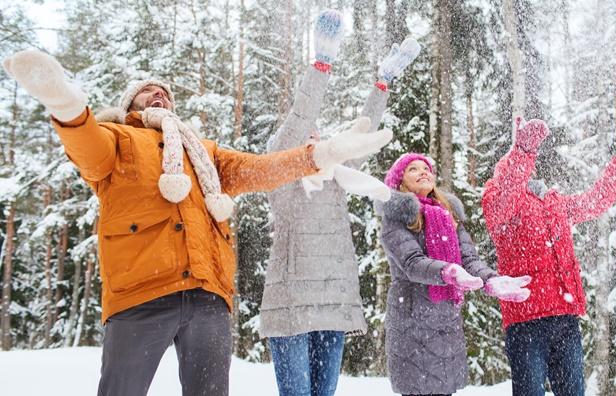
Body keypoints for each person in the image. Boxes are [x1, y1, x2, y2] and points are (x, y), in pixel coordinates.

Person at [1, 48, 392, 396]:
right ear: (129, 105)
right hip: (141, 294)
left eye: (165, 92)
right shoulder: (117, 138)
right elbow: (86, 149)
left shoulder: (203, 153)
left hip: (207, 294)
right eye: (148, 91)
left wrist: (321, 153)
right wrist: (68, 107)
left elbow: (260, 169)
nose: (160, 94)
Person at [258, 9, 421, 396]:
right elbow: (300, 116)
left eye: (319, 134)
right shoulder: (282, 184)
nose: (314, 136)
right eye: (305, 136)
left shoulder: (338, 180)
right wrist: (322, 62)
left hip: (334, 306)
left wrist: (382, 84)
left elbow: (363, 131)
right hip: (292, 309)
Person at [481, 117, 616, 396]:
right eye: (514, 164)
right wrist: (522, 151)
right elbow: (507, 194)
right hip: (526, 321)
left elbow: (595, 201)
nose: (520, 170)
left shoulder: (554, 204)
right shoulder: (498, 201)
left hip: (565, 318)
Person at [377, 153, 533, 396]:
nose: (423, 172)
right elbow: (412, 263)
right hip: (411, 323)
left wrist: (490, 279)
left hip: (445, 321)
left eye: (426, 168)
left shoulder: (447, 215)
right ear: (400, 183)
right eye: (413, 169)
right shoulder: (395, 220)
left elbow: (468, 260)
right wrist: (448, 272)